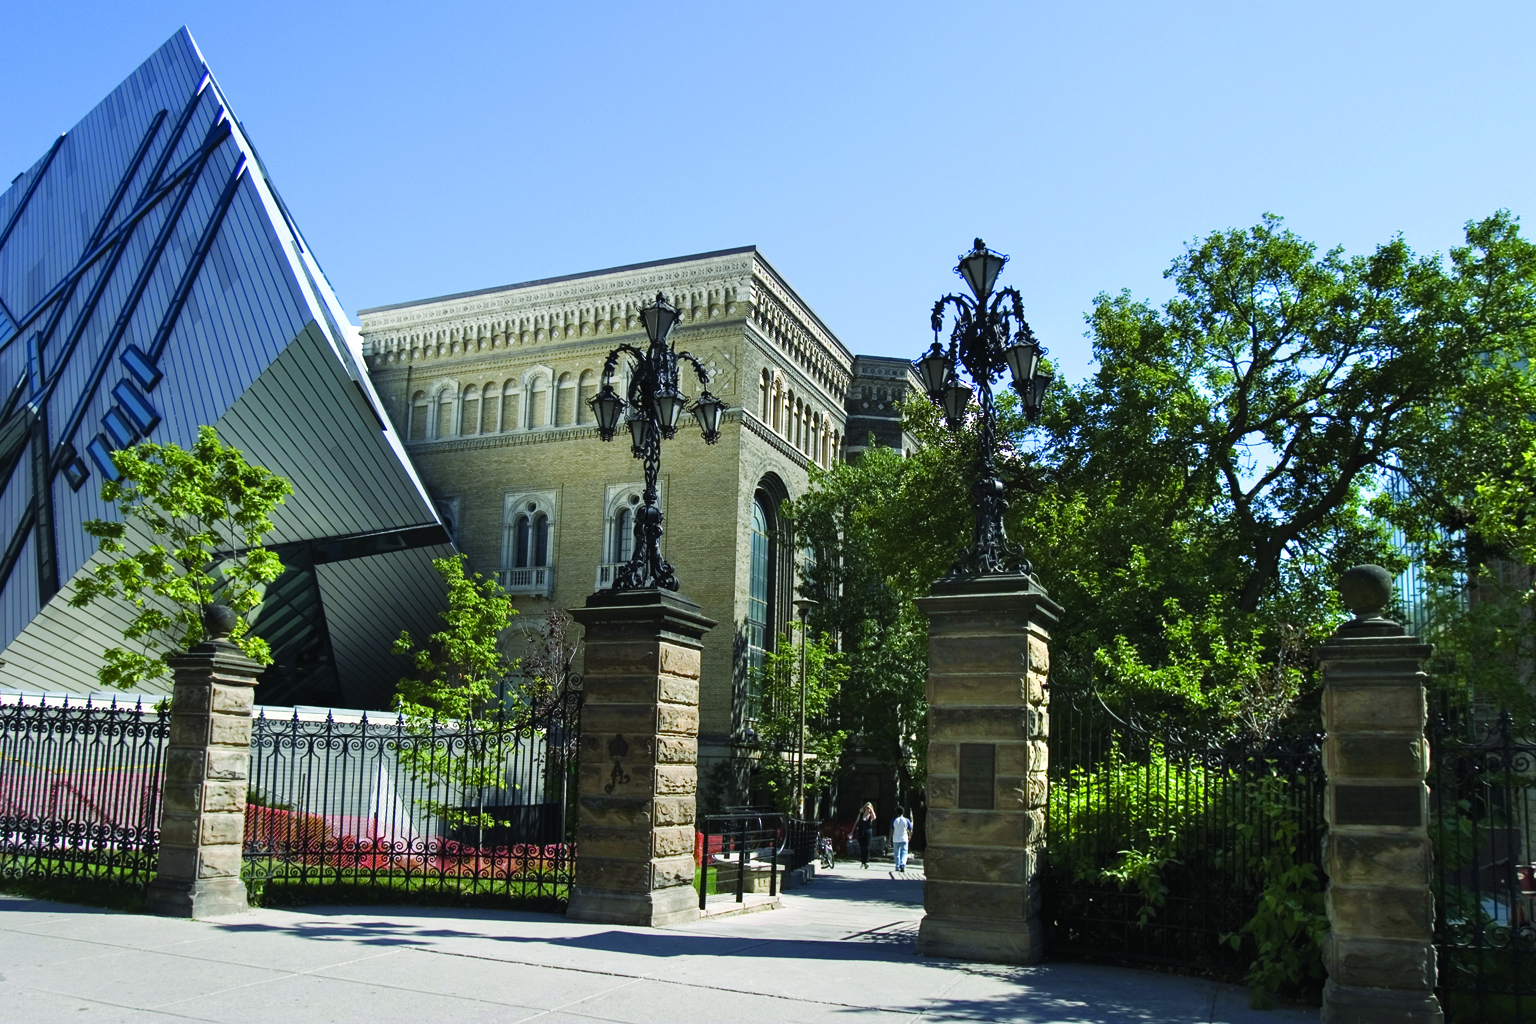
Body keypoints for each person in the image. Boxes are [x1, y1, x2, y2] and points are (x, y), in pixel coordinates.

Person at [891, 805, 912, 872]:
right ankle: (902, 864)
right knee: (904, 852)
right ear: (903, 812)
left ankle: (897, 866)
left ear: (896, 812)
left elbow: (891, 830)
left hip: (896, 838)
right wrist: (909, 836)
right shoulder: (906, 820)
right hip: (904, 838)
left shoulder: (894, 820)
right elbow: (910, 829)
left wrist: (890, 838)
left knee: (896, 853)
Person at [854, 802, 876, 868]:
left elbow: (874, 817)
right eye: (867, 807)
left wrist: (871, 810)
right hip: (861, 833)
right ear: (864, 808)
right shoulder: (861, 815)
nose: (868, 809)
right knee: (862, 848)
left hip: (868, 833)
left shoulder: (870, 816)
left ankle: (867, 861)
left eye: (869, 808)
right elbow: (856, 822)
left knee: (867, 847)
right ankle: (863, 862)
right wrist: (852, 831)